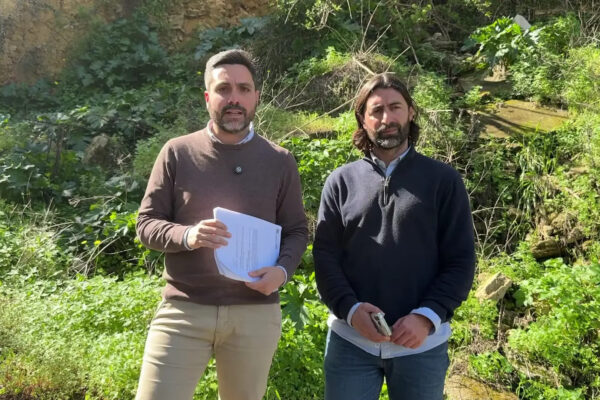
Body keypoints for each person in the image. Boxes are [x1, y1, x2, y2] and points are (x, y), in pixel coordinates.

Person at [135, 49, 308, 400]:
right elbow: (146, 224)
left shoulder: (279, 160)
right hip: (184, 309)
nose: (234, 99)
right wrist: (188, 235)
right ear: (207, 97)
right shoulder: (177, 152)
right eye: (223, 89)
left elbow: (296, 231)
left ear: (256, 97)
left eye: (244, 89)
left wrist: (282, 271)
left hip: (255, 314)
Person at [313, 72, 475, 400]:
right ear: (362, 119)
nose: (387, 118)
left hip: (421, 346)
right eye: (376, 110)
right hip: (350, 343)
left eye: (395, 107)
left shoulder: (443, 181)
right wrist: (351, 310)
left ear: (410, 112)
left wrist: (426, 317)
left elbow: (460, 261)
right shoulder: (340, 182)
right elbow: (325, 258)